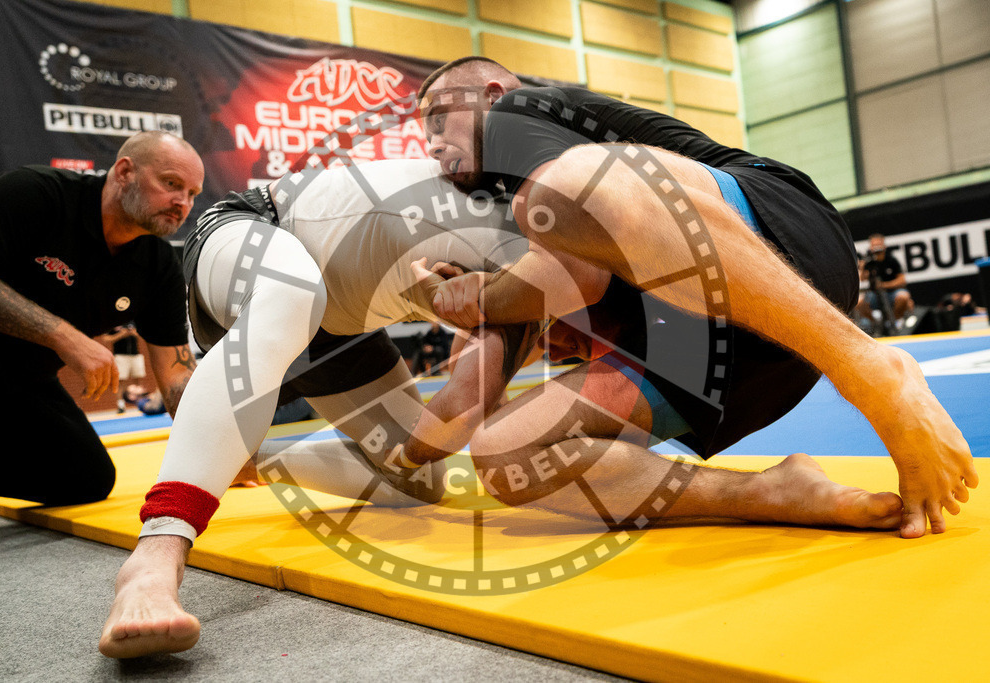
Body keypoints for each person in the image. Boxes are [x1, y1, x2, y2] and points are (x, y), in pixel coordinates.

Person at [412, 56, 976, 539]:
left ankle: (870, 370)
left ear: (490, 94)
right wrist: (453, 307)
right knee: (507, 456)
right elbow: (457, 415)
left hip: (771, 240)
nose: (431, 141)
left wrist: (484, 299)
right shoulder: (502, 235)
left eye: (439, 115)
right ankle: (773, 495)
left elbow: (576, 271)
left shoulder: (519, 113)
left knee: (570, 186)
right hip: (726, 351)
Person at [98, 158, 541, 658]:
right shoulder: (538, 257)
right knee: (294, 293)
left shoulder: (539, 273)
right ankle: (155, 556)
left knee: (418, 483)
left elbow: (469, 412)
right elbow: (464, 417)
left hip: (335, 326)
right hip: (253, 232)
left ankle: (252, 458)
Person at [0, 131, 203, 506]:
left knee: (86, 476)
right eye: (171, 184)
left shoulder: (159, 266)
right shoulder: (35, 192)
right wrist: (64, 335)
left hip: (19, 381)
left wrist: (212, 456)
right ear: (124, 172)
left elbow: (176, 372)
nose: (182, 202)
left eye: (192, 194)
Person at [857, 233, 914, 331]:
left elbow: (902, 280)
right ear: (870, 247)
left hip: (892, 292)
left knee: (904, 297)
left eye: (878, 244)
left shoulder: (891, 260)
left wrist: (884, 285)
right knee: (858, 302)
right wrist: (862, 267)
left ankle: (894, 322)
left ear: (884, 246)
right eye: (874, 245)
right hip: (875, 295)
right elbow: (862, 279)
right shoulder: (868, 261)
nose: (876, 247)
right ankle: (876, 323)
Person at [100, 323, 145, 412]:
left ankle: (141, 402)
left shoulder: (134, 321)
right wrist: (121, 335)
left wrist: (134, 333)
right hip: (120, 355)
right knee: (120, 381)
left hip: (135, 354)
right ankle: (121, 405)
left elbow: (143, 336)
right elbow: (105, 339)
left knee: (138, 379)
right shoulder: (115, 321)